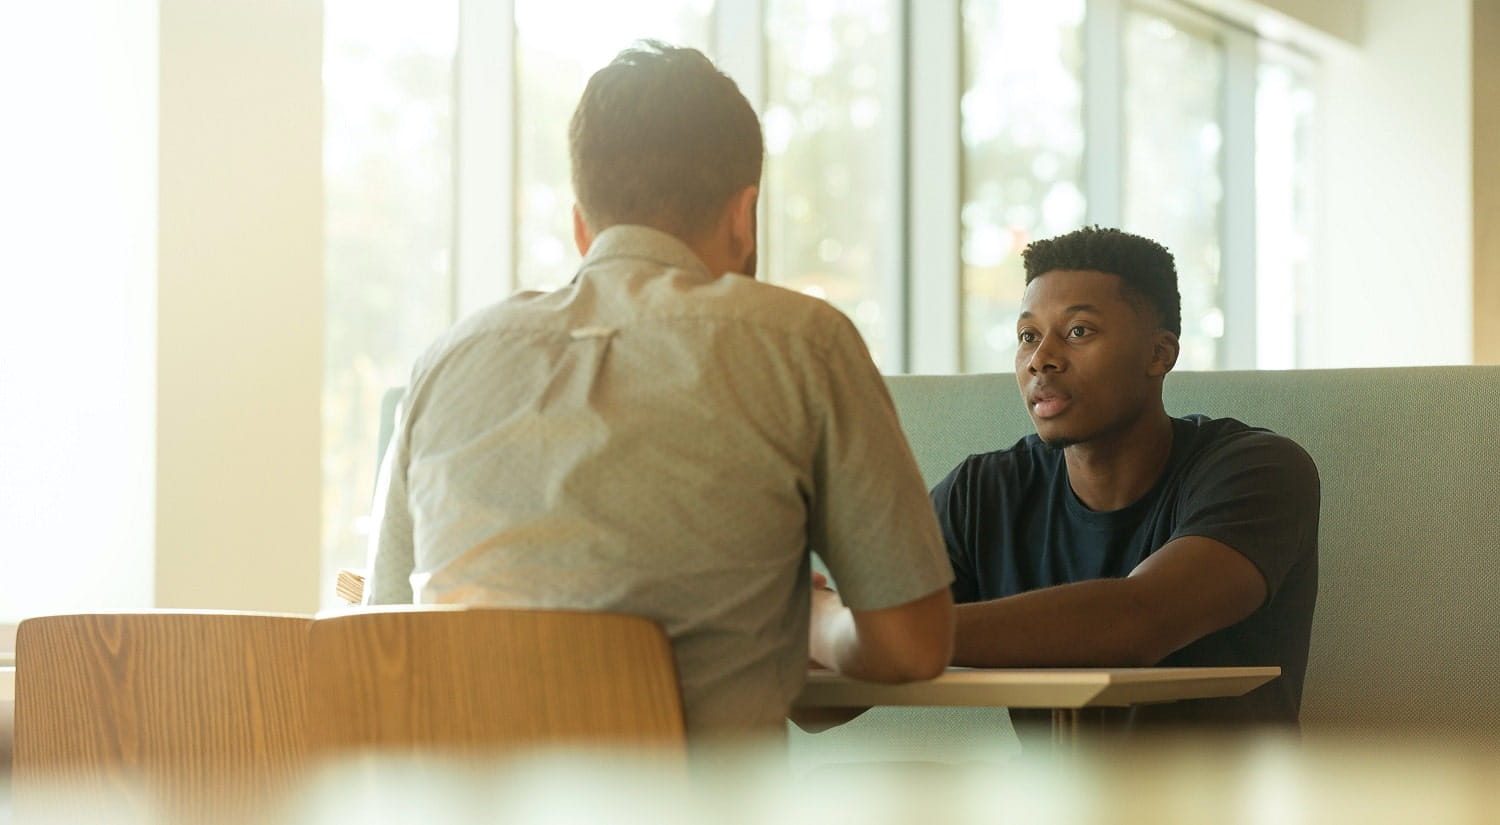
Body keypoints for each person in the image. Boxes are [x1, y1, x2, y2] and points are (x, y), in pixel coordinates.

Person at [363, 41, 954, 742]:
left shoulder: (445, 362)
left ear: (582, 225)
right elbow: (912, 645)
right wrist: (817, 620)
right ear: (745, 215)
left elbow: (381, 640)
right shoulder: (803, 342)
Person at [931, 226, 1318, 732]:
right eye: (1028, 336)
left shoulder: (1259, 471)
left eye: (1078, 332)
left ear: (1160, 354)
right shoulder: (981, 493)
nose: (1040, 358)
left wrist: (882, 634)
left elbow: (1138, 622)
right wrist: (824, 628)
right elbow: (822, 706)